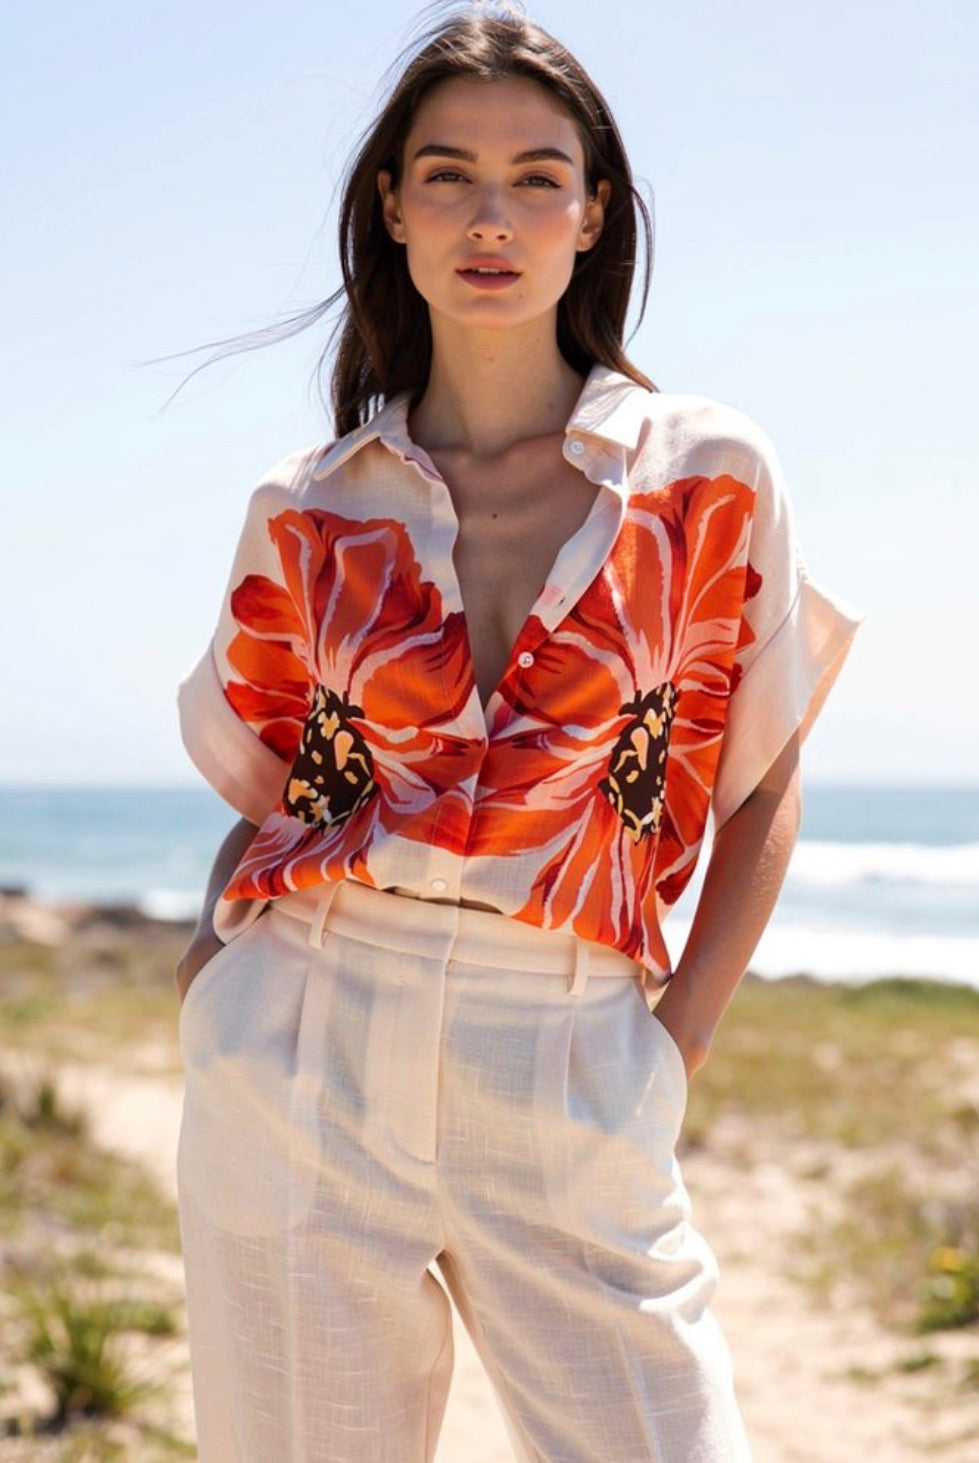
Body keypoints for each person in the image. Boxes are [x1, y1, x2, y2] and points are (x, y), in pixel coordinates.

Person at [173, 4, 863, 1459]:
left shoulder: (709, 476)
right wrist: (213, 990)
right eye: (449, 175)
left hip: (568, 1052)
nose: (494, 216)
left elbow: (763, 782)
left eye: (538, 176)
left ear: (594, 213)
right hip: (302, 1046)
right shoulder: (311, 504)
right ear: (394, 209)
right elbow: (276, 781)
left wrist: (669, 1057)